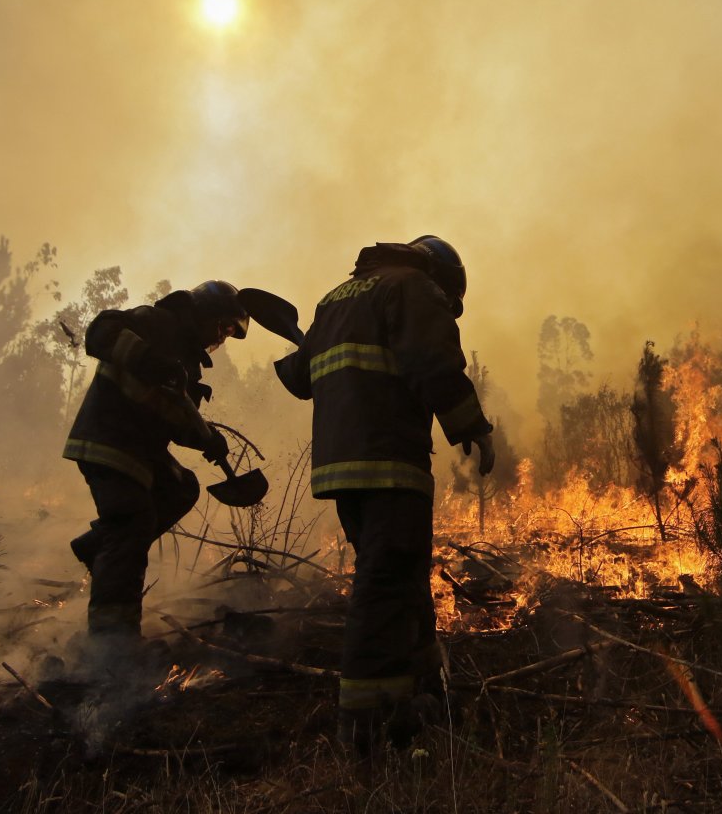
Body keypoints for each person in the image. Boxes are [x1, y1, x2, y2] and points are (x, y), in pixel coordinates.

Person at [274, 235, 495, 755]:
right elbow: (431, 359)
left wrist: (309, 338)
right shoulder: (412, 286)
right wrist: (470, 423)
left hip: (341, 467)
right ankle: (365, 723)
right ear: (442, 277)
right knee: (383, 583)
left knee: (401, 575)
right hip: (389, 459)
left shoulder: (336, 298)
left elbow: (299, 377)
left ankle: (420, 695)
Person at [63, 280, 248, 646]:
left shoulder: (184, 363)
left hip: (141, 450)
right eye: (224, 327)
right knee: (132, 524)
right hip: (109, 439)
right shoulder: (157, 322)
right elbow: (100, 332)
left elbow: (173, 415)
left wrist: (208, 438)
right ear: (206, 313)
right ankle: (112, 644)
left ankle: (98, 544)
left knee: (181, 488)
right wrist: (149, 360)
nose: (223, 338)